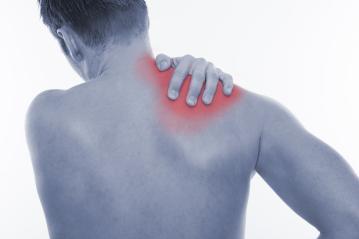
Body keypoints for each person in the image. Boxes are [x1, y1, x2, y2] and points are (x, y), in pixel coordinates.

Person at [26, 1, 359, 239]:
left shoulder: (47, 117)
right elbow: (352, 219)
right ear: (143, 16)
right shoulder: (244, 114)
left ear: (69, 40)